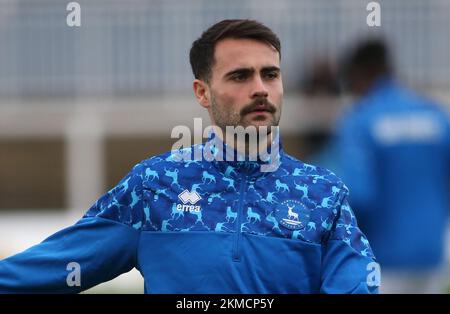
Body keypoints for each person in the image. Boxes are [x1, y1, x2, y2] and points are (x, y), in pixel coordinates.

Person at [0, 19, 378, 294]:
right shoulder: (154, 186)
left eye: (271, 74)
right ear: (202, 92)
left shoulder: (324, 194)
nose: (260, 89)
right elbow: (53, 267)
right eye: (240, 76)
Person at [333, 39, 450, 293]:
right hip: (432, 255)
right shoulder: (435, 114)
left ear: (359, 75)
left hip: (382, 258)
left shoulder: (361, 120)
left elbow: (360, 195)